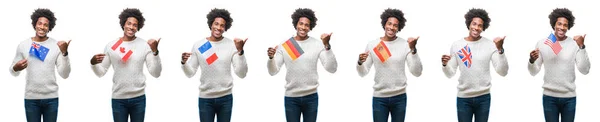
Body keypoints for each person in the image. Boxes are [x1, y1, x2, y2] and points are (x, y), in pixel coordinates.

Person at [90, 8, 162, 122]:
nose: (131, 27)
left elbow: (156, 73)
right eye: (129, 23)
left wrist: (155, 52)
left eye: (135, 25)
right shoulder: (111, 46)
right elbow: (101, 72)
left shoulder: (144, 45)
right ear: (123, 24)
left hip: (139, 98)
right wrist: (93, 63)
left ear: (138, 27)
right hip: (118, 99)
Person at [266, 8, 337, 122]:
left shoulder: (317, 44)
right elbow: (273, 71)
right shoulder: (286, 45)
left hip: (311, 97)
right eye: (301, 24)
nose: (303, 28)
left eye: (307, 25)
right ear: (296, 24)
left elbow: (332, 68)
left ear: (310, 27)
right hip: (291, 98)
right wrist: (271, 58)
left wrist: (327, 46)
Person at [440, 8, 508, 122]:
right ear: (469, 24)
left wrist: (500, 50)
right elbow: (450, 74)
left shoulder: (490, 45)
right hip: (463, 99)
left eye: (480, 25)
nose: (476, 28)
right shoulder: (457, 45)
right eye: (474, 24)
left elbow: (503, 72)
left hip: (484, 98)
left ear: (483, 27)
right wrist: (445, 65)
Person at [180, 8, 248, 122]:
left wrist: (240, 51)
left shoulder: (231, 45)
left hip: (226, 98)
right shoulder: (199, 45)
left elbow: (242, 73)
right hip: (205, 99)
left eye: (222, 25)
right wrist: (184, 63)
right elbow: (190, 73)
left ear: (225, 28)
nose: (218, 28)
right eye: (216, 23)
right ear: (211, 24)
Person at [356, 8, 422, 122]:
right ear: (384, 24)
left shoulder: (405, 45)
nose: (391, 27)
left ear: (399, 27)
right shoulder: (373, 45)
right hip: (379, 98)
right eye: (389, 23)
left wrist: (413, 50)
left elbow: (417, 72)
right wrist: (360, 62)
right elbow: (363, 72)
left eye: (395, 25)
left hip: (400, 97)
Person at [527, 8, 590, 122]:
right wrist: (531, 60)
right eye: (559, 23)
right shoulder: (542, 43)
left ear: (568, 26)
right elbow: (533, 72)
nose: (562, 27)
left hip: (569, 98)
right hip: (549, 97)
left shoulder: (574, 44)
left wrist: (582, 47)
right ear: (554, 24)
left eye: (565, 25)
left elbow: (585, 70)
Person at [9, 8, 71, 122]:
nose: (42, 27)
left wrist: (65, 53)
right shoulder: (24, 45)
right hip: (31, 99)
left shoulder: (55, 45)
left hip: (51, 98)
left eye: (46, 25)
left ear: (49, 27)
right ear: (34, 24)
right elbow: (13, 72)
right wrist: (15, 68)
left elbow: (65, 74)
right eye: (40, 23)